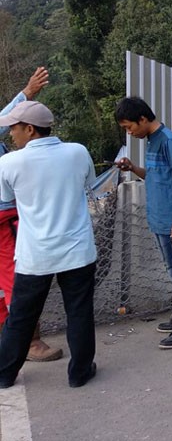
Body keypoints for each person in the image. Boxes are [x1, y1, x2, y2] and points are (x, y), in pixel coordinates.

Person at [0, 101, 98, 388]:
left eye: (14, 129)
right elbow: (88, 183)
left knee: (21, 316)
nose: (11, 135)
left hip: (35, 255)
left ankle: (5, 373)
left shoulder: (8, 163)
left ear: (29, 129)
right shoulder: (77, 152)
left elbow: (6, 199)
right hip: (77, 250)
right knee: (79, 311)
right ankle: (79, 373)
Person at [114, 97, 172, 349]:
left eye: (129, 127)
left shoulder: (168, 140)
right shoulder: (152, 140)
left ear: (142, 119)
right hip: (161, 219)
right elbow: (156, 176)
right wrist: (133, 168)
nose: (129, 132)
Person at [0, 67, 63, 362]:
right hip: (5, 219)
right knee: (17, 277)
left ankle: (11, 336)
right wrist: (26, 93)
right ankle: (30, 341)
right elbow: (4, 122)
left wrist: (26, 93)